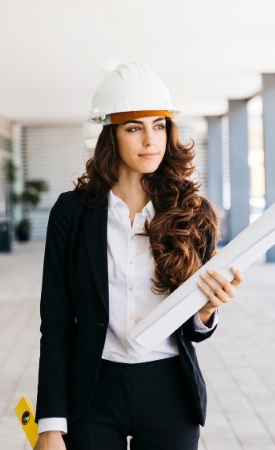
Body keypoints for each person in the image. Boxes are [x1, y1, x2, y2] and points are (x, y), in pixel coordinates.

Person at [34, 62, 243, 450]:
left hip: (168, 391)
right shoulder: (71, 213)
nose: (151, 140)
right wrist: (49, 423)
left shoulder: (193, 213)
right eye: (135, 128)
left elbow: (193, 329)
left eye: (159, 126)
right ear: (111, 135)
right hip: (92, 391)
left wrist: (206, 311)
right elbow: (57, 323)